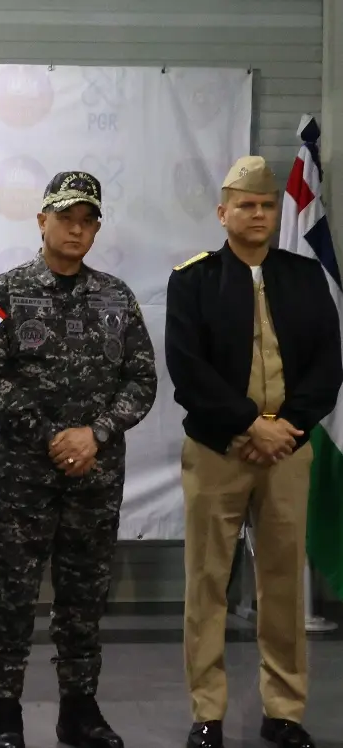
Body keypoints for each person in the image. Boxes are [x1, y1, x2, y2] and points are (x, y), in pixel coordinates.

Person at [0, 172, 157, 748]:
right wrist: (53, 436)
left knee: (84, 599)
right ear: (42, 221)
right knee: (12, 596)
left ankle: (79, 710)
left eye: (87, 220)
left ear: (96, 229)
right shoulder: (3, 295)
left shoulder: (117, 297)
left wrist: (93, 434)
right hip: (23, 475)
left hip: (94, 475)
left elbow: (142, 380)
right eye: (66, 218)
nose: (76, 229)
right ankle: (4, 714)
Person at [165, 156, 342, 748]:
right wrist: (247, 424)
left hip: (288, 450)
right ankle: (207, 712)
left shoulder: (304, 276)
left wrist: (288, 426)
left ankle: (284, 711)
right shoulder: (193, 280)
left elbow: (327, 364)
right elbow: (187, 370)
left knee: (284, 585)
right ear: (223, 213)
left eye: (267, 205)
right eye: (246, 205)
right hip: (218, 449)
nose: (259, 214)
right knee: (207, 582)